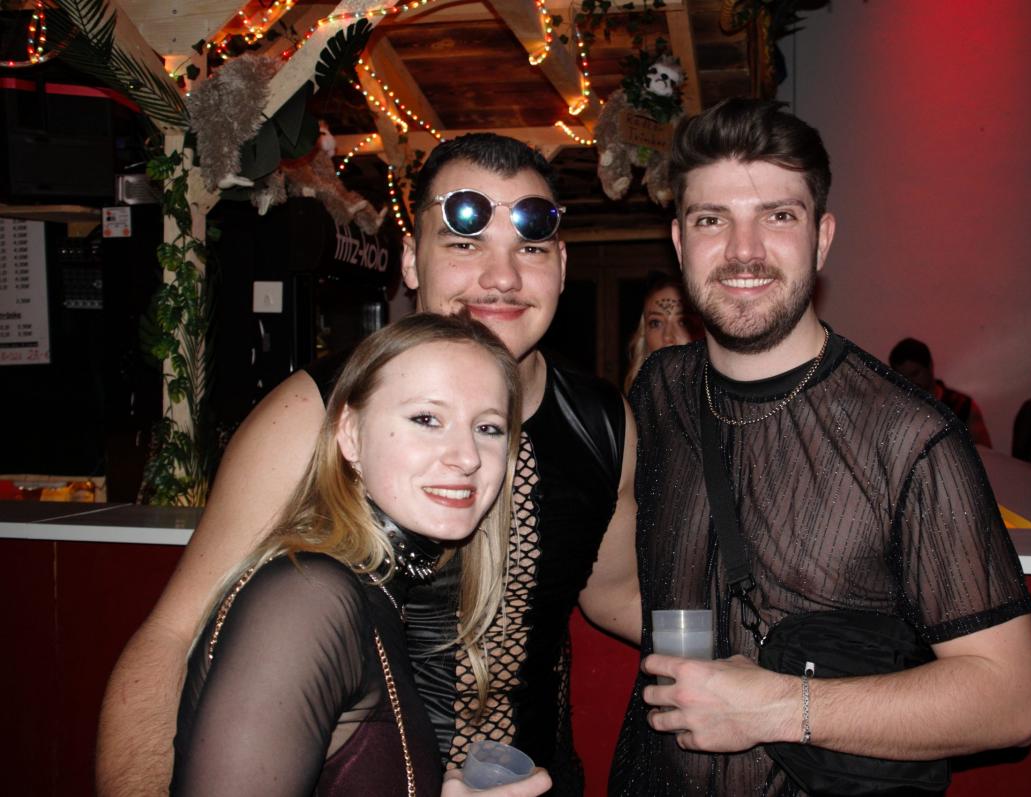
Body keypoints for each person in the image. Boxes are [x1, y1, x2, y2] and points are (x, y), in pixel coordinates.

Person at [97, 134, 641, 796]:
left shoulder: (604, 423)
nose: (501, 277)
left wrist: (752, 656)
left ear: (560, 266)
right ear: (411, 260)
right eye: (464, 243)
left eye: (530, 249)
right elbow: (173, 639)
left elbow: (614, 591)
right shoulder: (316, 414)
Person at [609, 98, 1031, 795]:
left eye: (778, 216)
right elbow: (623, 588)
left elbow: (1011, 700)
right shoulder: (659, 392)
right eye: (712, 219)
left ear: (821, 238)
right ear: (680, 241)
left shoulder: (909, 437)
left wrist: (776, 707)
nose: (743, 250)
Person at [172, 313, 551, 797]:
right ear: (350, 434)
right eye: (427, 419)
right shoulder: (307, 598)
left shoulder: (375, 590)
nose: (467, 456)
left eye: (489, 428)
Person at [888, 337, 992, 447]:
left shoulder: (962, 406)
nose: (910, 383)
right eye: (903, 379)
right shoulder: (898, 412)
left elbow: (985, 453)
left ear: (930, 366)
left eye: (915, 374)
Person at [624, 275, 703, 392]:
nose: (667, 336)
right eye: (656, 323)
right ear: (644, 335)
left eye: (683, 322)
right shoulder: (629, 400)